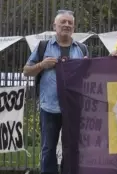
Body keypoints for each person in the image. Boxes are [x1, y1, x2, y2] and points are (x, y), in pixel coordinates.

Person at [22, 10, 89, 174]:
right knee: (48, 149)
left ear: (73, 27)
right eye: (63, 22)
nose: (66, 25)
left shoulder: (82, 49)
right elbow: (26, 71)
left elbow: (89, 77)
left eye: (70, 23)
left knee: (71, 149)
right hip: (49, 107)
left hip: (73, 108)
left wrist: (87, 68)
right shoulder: (43, 47)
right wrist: (41, 65)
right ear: (55, 25)